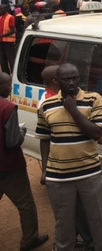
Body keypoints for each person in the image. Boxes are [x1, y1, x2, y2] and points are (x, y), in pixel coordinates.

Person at [36, 63, 102, 251]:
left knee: (99, 220)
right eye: (67, 79)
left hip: (89, 173)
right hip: (58, 177)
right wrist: (45, 171)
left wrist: (72, 110)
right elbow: (45, 139)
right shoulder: (46, 106)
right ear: (57, 81)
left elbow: (97, 133)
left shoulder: (93, 99)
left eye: (75, 78)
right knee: (63, 224)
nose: (72, 82)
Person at [0, 71, 49, 251]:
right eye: (7, 84)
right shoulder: (8, 108)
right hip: (10, 166)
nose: (11, 87)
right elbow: (12, 142)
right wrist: (21, 133)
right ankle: (29, 239)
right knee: (26, 204)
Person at [0, 4, 17, 74]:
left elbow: (13, 30)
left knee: (11, 60)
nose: (0, 10)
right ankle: (6, 75)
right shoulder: (0, 18)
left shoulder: (11, 17)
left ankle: (14, 76)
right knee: (2, 61)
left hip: (8, 42)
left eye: (1, 9)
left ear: (6, 9)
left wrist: (2, 35)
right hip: (1, 42)